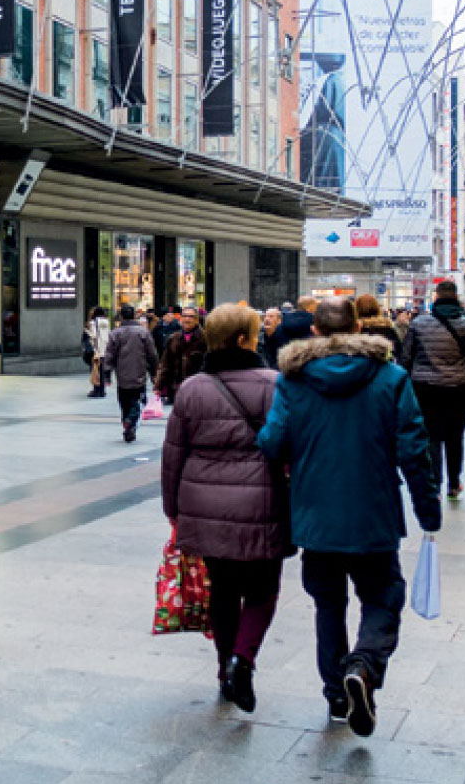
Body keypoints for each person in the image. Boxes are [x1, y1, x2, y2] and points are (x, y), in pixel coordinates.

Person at [258, 298, 440, 738]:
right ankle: (364, 663)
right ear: (359, 327)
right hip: (373, 511)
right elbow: (414, 449)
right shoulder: (391, 377)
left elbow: (272, 442)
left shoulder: (293, 381)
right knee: (383, 596)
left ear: (315, 331)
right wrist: (427, 509)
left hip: (316, 513)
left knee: (328, 605)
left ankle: (337, 695)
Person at [161, 304, 288, 713]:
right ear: (241, 340)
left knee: (224, 589)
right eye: (254, 333)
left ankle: (223, 670)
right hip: (262, 500)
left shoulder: (193, 388)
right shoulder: (275, 384)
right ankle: (243, 659)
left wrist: (173, 507)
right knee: (263, 588)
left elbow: (173, 454)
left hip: (204, 501)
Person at [398, 281, 465, 499]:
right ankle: (454, 482)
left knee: (432, 437)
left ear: (436, 297)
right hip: (459, 388)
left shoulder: (419, 324)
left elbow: (406, 357)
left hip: (426, 388)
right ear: (456, 297)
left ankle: (435, 482)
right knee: (455, 437)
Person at [103, 304, 159, 443]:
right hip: (139, 372)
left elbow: (109, 355)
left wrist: (107, 374)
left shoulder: (115, 333)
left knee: (124, 402)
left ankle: (127, 422)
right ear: (134, 315)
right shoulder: (143, 332)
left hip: (122, 375)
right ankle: (130, 422)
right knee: (138, 401)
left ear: (121, 316)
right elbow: (152, 355)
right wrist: (154, 372)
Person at [155, 306, 208, 403]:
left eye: (191, 316)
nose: (187, 319)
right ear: (180, 318)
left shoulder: (205, 339)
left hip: (199, 389)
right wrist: (159, 386)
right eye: (184, 316)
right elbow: (165, 365)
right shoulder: (173, 338)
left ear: (197, 320)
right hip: (177, 389)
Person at [264, 296, 316, 367]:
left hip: (282, 369)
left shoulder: (281, 325)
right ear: (310, 308)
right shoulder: (316, 327)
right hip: (308, 370)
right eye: (315, 307)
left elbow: (272, 351)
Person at [84, 306, 112, 397]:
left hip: (96, 350)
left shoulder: (92, 323)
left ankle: (96, 390)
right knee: (102, 371)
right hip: (105, 350)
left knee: (95, 370)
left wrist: (86, 331)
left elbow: (92, 336)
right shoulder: (107, 322)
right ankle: (102, 390)